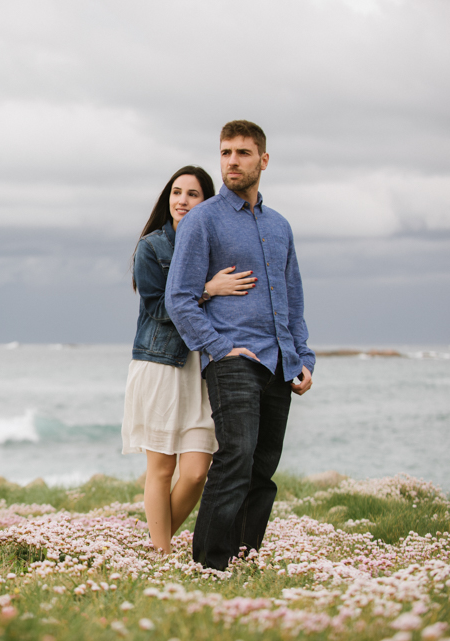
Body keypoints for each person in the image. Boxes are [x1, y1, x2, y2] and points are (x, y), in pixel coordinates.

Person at [165, 121, 315, 571]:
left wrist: (302, 357)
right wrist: (219, 347)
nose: (232, 161)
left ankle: (244, 558)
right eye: (226, 152)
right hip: (232, 357)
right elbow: (179, 297)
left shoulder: (280, 226)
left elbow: (292, 300)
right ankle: (208, 565)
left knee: (262, 468)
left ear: (263, 160)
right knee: (236, 455)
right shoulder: (203, 220)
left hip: (278, 362)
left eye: (243, 153)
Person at [123, 165, 257, 555]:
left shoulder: (210, 244)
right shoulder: (152, 247)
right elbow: (160, 308)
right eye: (176, 193)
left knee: (198, 472)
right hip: (161, 364)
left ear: (207, 200)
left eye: (192, 194)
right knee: (162, 469)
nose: (182, 201)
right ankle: (162, 555)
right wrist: (207, 288)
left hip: (203, 366)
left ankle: (153, 546)